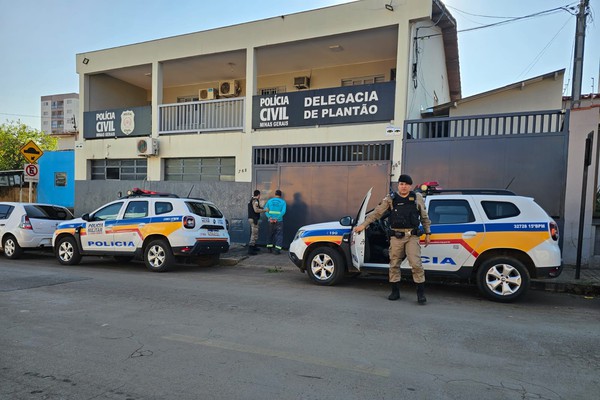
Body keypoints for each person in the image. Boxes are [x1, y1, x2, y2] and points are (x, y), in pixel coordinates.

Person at [353, 174, 431, 304]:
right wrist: (363, 225)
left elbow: (424, 216)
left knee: (416, 264)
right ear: (398, 185)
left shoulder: (416, 198)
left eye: (406, 184)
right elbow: (377, 213)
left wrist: (428, 233)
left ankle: (420, 294)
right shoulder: (391, 199)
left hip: (412, 236)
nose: (403, 187)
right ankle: (395, 291)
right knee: (394, 264)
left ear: (410, 186)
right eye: (401, 184)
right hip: (396, 237)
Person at [264, 189, 287, 255]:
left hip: (270, 221)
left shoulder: (269, 201)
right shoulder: (283, 202)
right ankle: (277, 250)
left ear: (275, 194)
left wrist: (269, 217)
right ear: (280, 195)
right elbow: (283, 211)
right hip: (279, 221)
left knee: (270, 234)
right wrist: (277, 218)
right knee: (279, 235)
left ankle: (269, 249)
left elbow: (265, 210)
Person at [247, 189, 267, 255]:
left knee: (255, 233)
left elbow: (256, 208)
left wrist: (262, 208)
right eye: (259, 195)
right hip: (254, 219)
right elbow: (256, 210)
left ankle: (254, 246)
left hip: (252, 218)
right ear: (258, 195)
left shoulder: (252, 200)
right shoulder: (255, 201)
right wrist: (264, 210)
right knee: (254, 234)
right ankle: (251, 249)